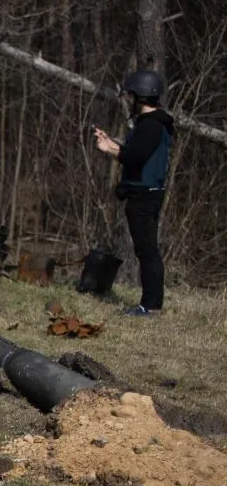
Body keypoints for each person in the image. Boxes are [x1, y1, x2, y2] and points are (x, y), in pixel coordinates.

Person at [93, 70, 173, 315]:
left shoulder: (151, 125)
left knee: (146, 250)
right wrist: (113, 145)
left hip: (143, 195)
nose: (129, 99)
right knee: (147, 249)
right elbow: (136, 153)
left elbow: (134, 158)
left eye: (131, 95)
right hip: (148, 192)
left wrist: (109, 149)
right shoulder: (156, 123)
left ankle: (150, 305)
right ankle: (152, 303)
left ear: (140, 96)